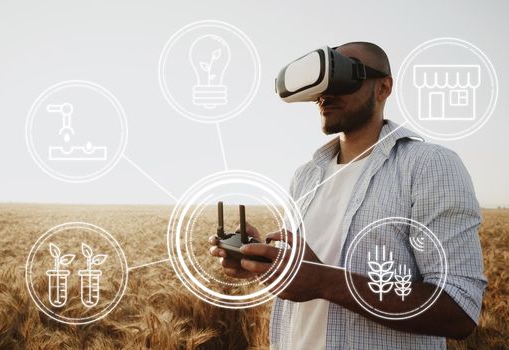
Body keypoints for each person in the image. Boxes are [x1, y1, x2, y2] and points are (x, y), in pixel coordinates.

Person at [209, 42, 487, 349]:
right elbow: (304, 280)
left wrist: (322, 281)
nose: (326, 92)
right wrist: (263, 263)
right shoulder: (306, 176)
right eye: (323, 80)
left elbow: (458, 308)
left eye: (343, 74)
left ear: (383, 88)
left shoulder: (427, 165)